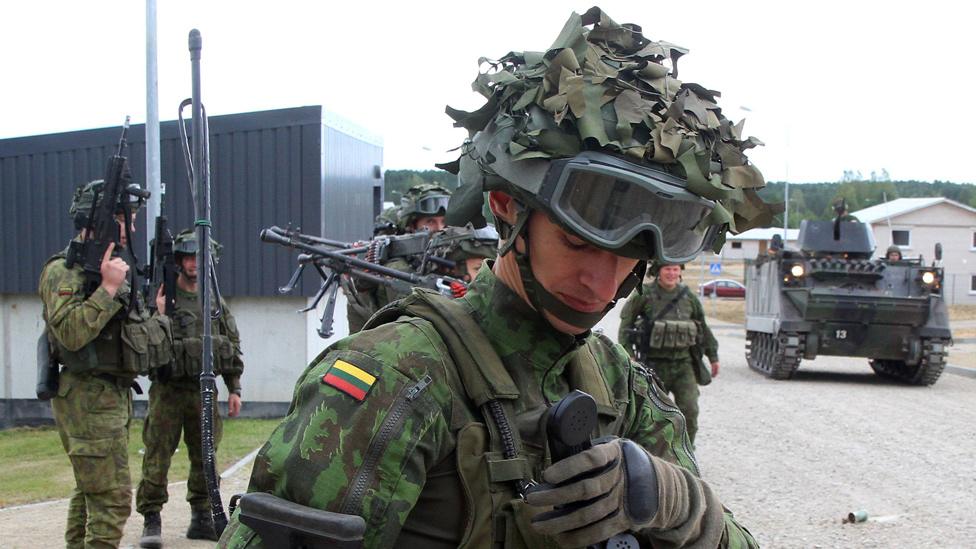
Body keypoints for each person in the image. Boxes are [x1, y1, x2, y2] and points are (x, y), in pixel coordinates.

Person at [219, 7, 774, 548]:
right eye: (579, 240)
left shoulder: (619, 385)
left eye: (630, 255)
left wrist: (682, 506)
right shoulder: (398, 378)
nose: (604, 285)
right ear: (509, 208)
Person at [39, 179, 172, 549]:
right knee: (111, 501)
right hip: (87, 396)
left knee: (90, 493)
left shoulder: (105, 268)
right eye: (125, 220)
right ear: (103, 220)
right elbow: (70, 333)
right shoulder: (64, 272)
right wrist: (108, 290)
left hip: (109, 397)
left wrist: (156, 317)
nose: (131, 229)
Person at [137, 229, 245, 547]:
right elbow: (146, 342)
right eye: (188, 258)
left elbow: (232, 347)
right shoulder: (161, 298)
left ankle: (201, 516)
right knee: (157, 454)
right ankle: (151, 517)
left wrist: (235, 388)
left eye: (200, 258)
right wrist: (158, 314)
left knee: (205, 456)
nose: (194, 264)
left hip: (203, 391)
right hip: (168, 391)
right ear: (179, 261)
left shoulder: (214, 303)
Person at [618, 262, 720, 445]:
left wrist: (713, 356)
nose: (671, 273)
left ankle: (686, 457)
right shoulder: (644, 294)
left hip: (683, 365)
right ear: (658, 271)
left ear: (680, 272)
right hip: (653, 366)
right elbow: (626, 326)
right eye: (667, 269)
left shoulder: (688, 296)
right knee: (653, 415)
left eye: (675, 269)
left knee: (690, 411)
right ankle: (654, 457)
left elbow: (702, 328)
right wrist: (629, 355)